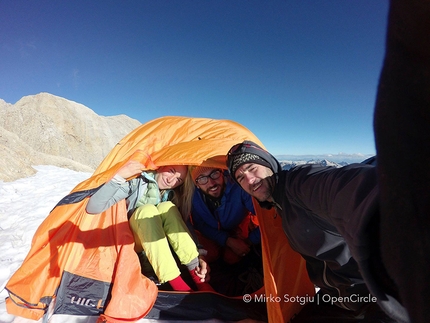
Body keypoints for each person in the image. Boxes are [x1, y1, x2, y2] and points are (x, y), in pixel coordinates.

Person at [226, 141, 409, 322]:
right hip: (336, 298)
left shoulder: (301, 184)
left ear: (268, 163)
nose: (249, 179)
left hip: (374, 298)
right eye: (241, 177)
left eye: (251, 167)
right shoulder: (280, 204)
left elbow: (360, 190)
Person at [86, 160, 212, 292]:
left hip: (159, 245)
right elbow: (93, 207)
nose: (171, 181)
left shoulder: (172, 195)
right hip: (133, 242)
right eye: (171, 171)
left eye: (178, 180)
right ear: (162, 165)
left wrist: (200, 254)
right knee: (147, 211)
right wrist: (119, 176)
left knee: (167, 207)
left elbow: (183, 227)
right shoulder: (137, 181)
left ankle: (200, 280)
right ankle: (179, 286)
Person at [190, 166, 261, 264]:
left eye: (215, 174)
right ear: (197, 184)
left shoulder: (239, 188)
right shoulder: (194, 197)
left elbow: (265, 219)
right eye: (202, 179)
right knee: (210, 254)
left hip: (237, 226)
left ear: (222, 173)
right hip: (211, 232)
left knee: (232, 258)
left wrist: (249, 241)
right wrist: (226, 240)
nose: (211, 183)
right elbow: (200, 224)